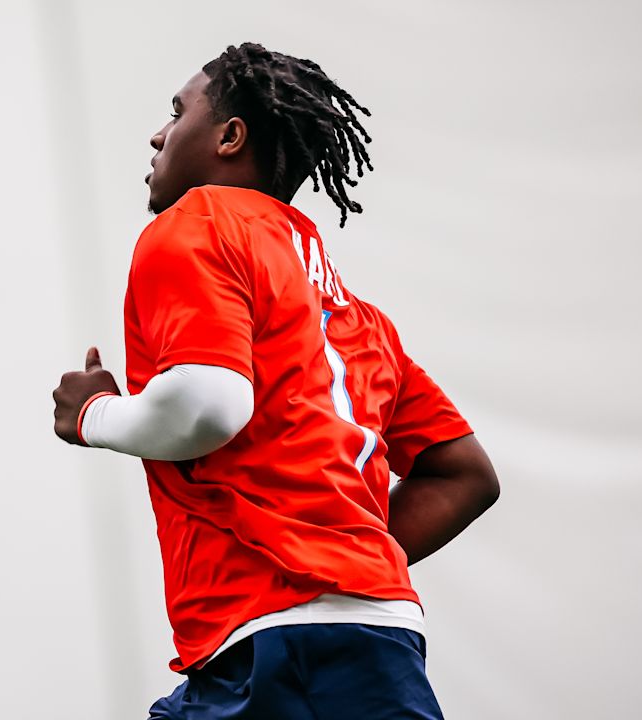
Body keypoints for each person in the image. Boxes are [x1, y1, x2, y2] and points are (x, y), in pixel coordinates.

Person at [51, 42, 500, 719]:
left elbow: (208, 405)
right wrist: (345, 561)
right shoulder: (357, 315)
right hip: (365, 642)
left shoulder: (200, 221)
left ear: (230, 137)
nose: (157, 133)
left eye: (177, 113)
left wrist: (94, 415)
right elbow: (464, 474)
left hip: (280, 649)